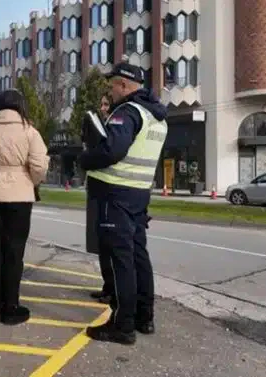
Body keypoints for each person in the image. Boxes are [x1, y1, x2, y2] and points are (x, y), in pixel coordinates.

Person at [80, 62, 168, 345]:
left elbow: (112, 150)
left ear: (123, 85)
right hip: (138, 195)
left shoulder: (127, 112)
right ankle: (145, 317)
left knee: (121, 260)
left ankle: (122, 325)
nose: (111, 90)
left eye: (112, 85)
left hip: (115, 195)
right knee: (138, 256)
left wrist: (85, 158)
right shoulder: (157, 117)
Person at [0, 89, 49, 325]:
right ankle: (12, 305)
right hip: (20, 194)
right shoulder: (29, 131)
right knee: (14, 252)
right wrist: (32, 180)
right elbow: (39, 166)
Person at [87, 93, 114, 305]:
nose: (103, 108)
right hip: (98, 190)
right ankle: (107, 287)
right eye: (101, 104)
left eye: (106, 104)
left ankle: (112, 290)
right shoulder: (103, 126)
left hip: (110, 193)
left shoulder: (116, 127)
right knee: (101, 244)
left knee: (110, 246)